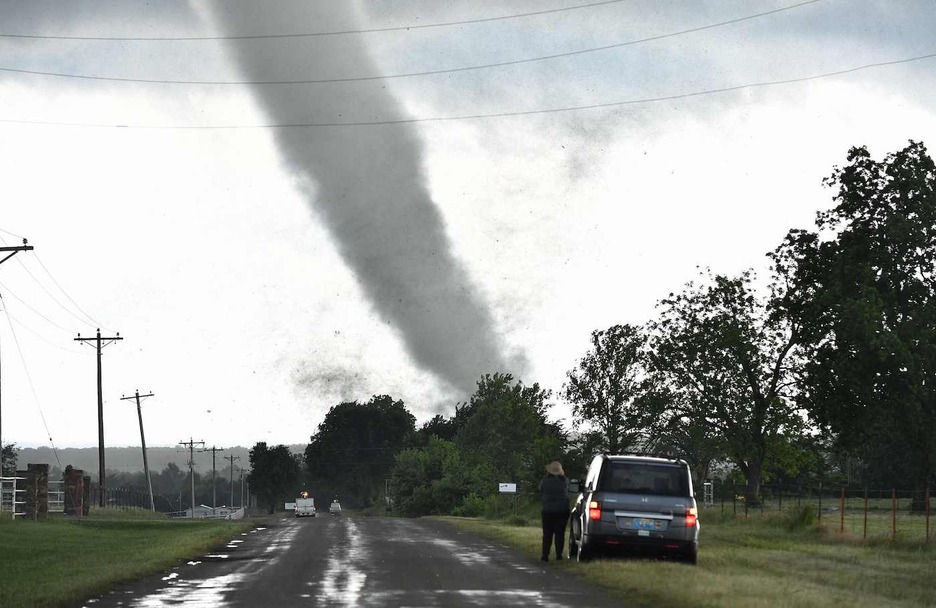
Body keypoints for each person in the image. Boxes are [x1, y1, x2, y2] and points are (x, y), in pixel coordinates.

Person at [539, 460, 570, 562]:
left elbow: (541, 489)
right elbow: (567, 485)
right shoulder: (564, 481)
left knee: (547, 533)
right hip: (562, 510)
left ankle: (545, 555)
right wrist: (562, 475)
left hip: (547, 510)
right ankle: (559, 554)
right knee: (560, 533)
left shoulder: (545, 481)